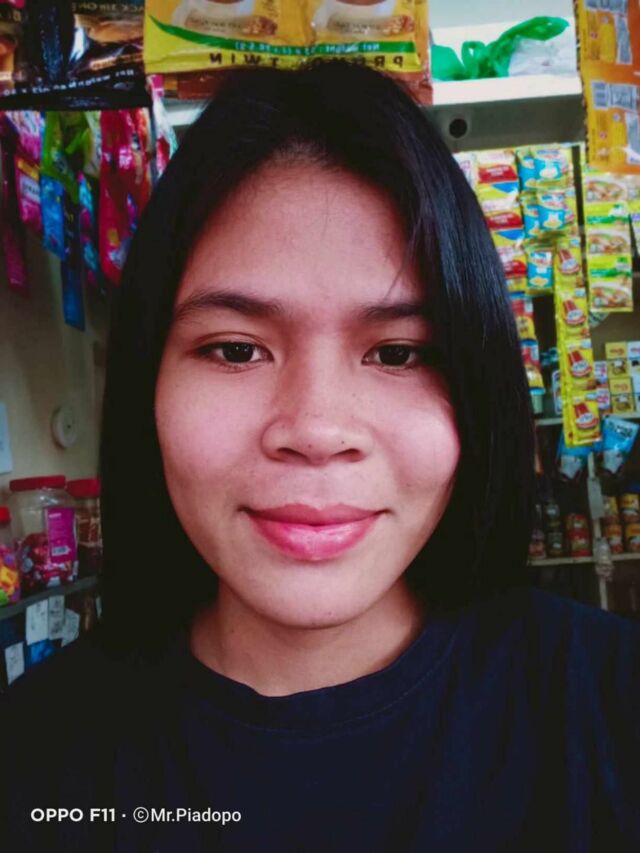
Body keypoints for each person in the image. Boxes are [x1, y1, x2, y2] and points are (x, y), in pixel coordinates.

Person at [2, 60, 639, 853]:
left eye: (399, 354)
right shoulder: (33, 763)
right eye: (236, 348)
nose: (315, 428)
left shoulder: (614, 712)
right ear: (146, 384)